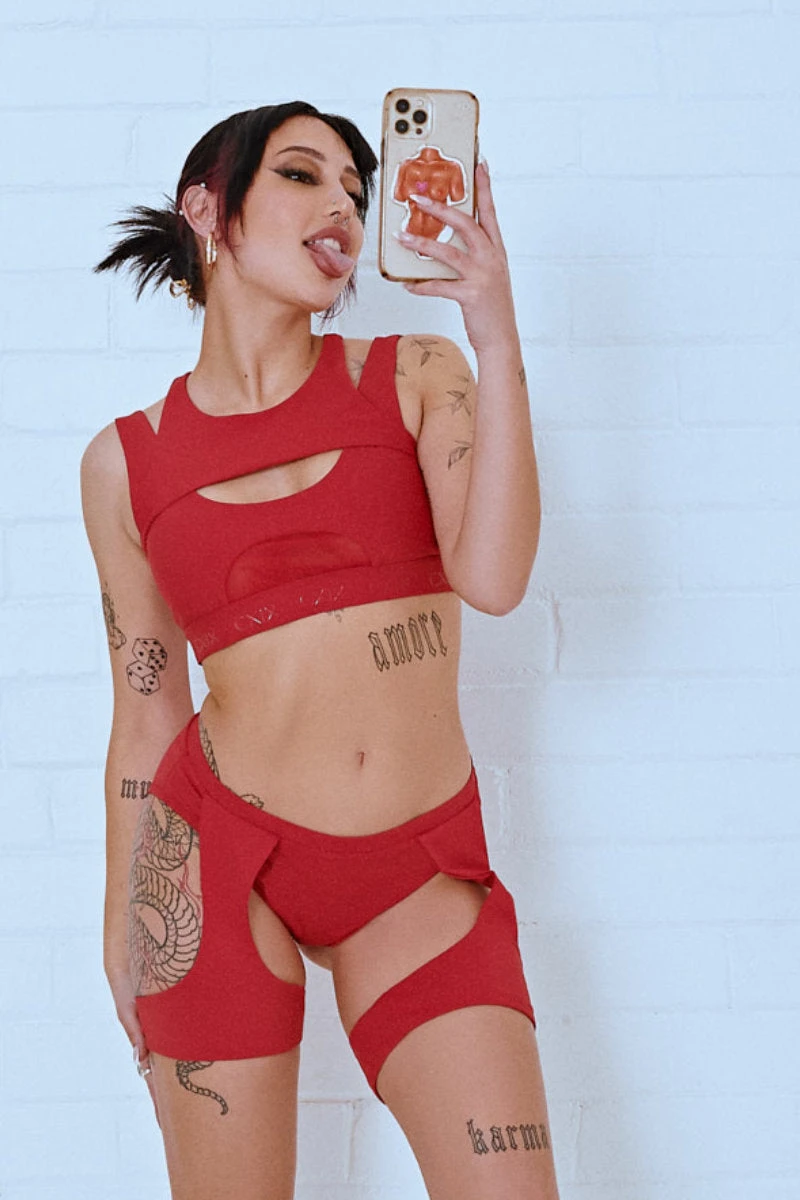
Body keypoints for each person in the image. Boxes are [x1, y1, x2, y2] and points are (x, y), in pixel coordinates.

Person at [81, 100, 558, 1200]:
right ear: (209, 210)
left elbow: (493, 581)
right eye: (302, 175)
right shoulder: (126, 465)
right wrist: (123, 923)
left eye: (355, 186)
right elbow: (146, 709)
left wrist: (493, 333)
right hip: (212, 868)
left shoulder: (416, 374)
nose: (343, 202)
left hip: (417, 874)